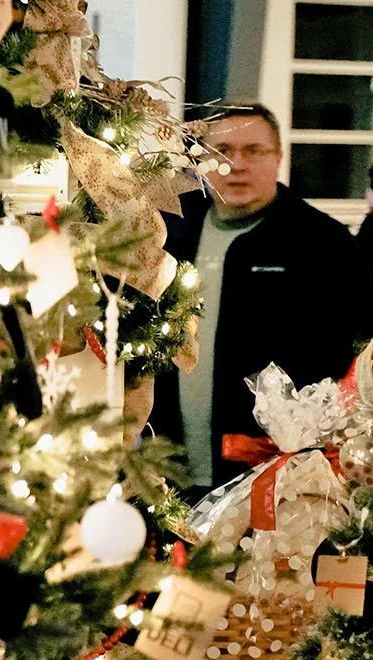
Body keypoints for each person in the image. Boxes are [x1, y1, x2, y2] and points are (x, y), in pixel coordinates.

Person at [151, 104, 373, 491]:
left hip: (274, 475)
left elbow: (352, 357)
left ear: (278, 157)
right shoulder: (168, 231)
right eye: (220, 152)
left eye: (253, 150)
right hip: (167, 470)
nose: (235, 165)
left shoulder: (323, 243)